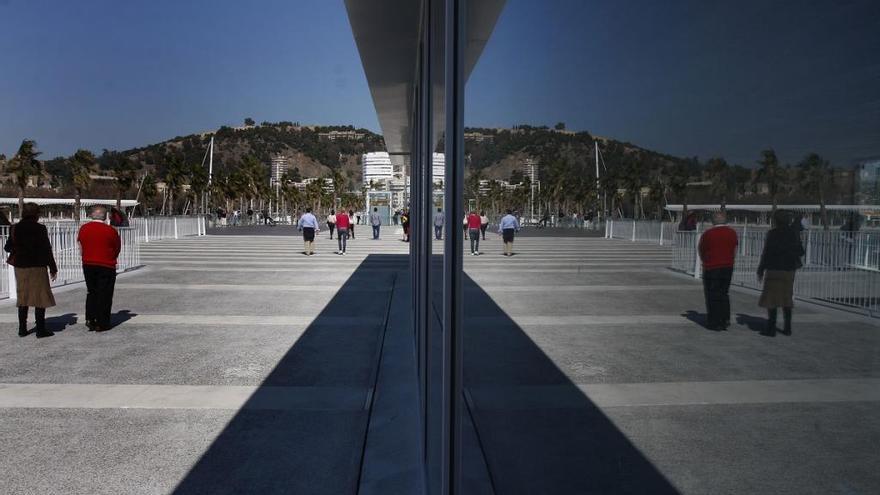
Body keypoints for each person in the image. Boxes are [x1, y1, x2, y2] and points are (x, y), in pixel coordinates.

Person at [5, 203, 58, 338]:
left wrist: (19, 249)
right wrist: (53, 267)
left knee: (23, 297)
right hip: (38, 266)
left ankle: (22, 329)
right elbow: (47, 249)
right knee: (40, 297)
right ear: (37, 214)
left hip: (21, 266)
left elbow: (7, 247)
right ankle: (40, 330)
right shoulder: (40, 229)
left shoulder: (15, 228)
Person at [757, 210, 805, 336]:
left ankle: (771, 328)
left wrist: (761, 269)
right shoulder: (793, 234)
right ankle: (787, 327)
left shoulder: (772, 234)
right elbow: (801, 251)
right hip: (788, 270)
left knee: (771, 299)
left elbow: (766, 252)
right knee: (786, 298)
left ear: (776, 221)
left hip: (773, 269)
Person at [78, 205, 122, 332]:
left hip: (88, 263)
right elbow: (117, 247)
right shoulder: (111, 230)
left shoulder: (84, 228)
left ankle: (90, 318)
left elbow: (81, 245)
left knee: (92, 291)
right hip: (106, 264)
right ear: (105, 216)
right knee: (105, 293)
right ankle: (102, 322)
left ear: (92, 215)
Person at [697, 211, 738, 330]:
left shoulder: (708, 234)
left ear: (713, 220)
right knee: (724, 293)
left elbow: (701, 249)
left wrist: (705, 261)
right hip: (727, 267)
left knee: (712, 295)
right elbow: (735, 249)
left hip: (712, 267)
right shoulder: (732, 233)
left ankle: (714, 321)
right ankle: (725, 319)